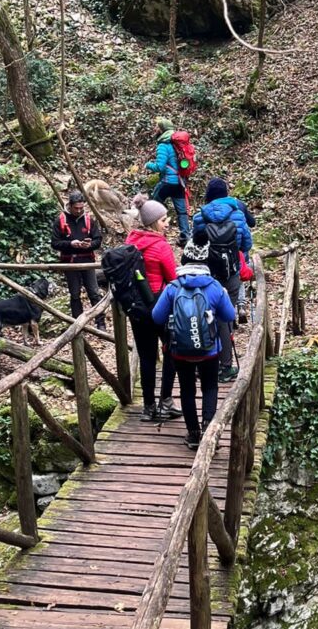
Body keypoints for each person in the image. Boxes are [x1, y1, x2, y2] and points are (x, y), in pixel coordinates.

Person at [152, 240, 236, 450]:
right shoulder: (215, 286)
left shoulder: (173, 287)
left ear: (184, 259)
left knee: (187, 389)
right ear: (205, 260)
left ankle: (192, 434)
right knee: (210, 387)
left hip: (180, 351)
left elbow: (156, 317)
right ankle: (208, 431)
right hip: (210, 350)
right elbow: (229, 315)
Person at [124, 196, 184, 422]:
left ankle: (148, 407)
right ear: (152, 223)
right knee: (171, 349)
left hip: (136, 308)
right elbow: (172, 278)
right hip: (159, 305)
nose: (167, 223)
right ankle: (166, 400)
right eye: (163, 220)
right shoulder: (160, 246)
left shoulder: (130, 241)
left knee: (147, 356)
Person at [191, 177, 253, 382]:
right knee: (224, 318)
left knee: (204, 315)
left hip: (207, 275)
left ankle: (205, 362)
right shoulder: (237, 214)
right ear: (226, 193)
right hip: (231, 275)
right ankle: (225, 366)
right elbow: (246, 245)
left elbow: (196, 244)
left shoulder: (200, 216)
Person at [51, 190, 107, 331]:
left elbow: (98, 240)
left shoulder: (89, 220)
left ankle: (101, 323)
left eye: (81, 208)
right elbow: (55, 243)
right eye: (76, 208)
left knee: (94, 292)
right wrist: (70, 244)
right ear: (70, 206)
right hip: (70, 262)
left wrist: (90, 245)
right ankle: (77, 324)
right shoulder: (61, 220)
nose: (79, 211)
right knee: (74, 293)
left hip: (87, 260)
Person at [145, 117, 192, 247]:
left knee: (153, 206)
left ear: (162, 129)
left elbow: (159, 167)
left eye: (157, 127)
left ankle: (154, 234)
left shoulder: (163, 145)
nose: (155, 129)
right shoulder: (178, 144)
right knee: (181, 212)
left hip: (167, 182)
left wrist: (148, 165)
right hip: (179, 182)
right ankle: (185, 238)